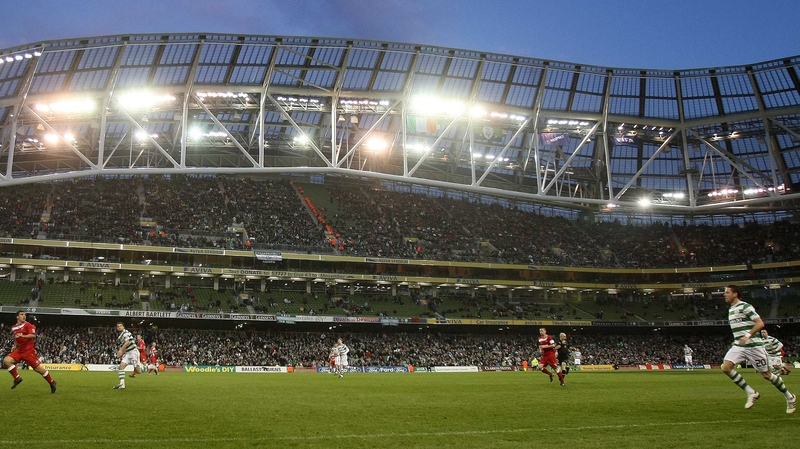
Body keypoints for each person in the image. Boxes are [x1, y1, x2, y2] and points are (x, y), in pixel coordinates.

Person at [721, 285, 796, 413]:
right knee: (726, 368)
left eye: (727, 292)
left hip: (754, 346)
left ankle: (789, 397)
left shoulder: (745, 306)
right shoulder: (731, 309)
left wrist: (748, 335)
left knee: (767, 375)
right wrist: (738, 339)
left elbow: (760, 323)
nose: (724, 294)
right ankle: (751, 392)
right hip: (740, 346)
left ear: (735, 294)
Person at [2, 311, 56, 393]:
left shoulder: (28, 325)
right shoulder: (14, 327)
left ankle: (52, 382)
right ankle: (17, 378)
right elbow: (16, 337)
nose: (24, 316)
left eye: (25, 315)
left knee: (37, 369)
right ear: (17, 317)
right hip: (19, 350)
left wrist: (23, 335)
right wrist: (15, 345)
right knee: (6, 361)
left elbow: (33, 335)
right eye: (22, 314)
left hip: (28, 351)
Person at [113, 322, 140, 389]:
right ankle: (122, 384)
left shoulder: (125, 333)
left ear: (123, 327)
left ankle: (151, 367)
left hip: (133, 352)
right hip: (128, 353)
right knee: (121, 367)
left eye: (120, 326)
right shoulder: (121, 335)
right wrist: (122, 352)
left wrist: (121, 350)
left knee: (138, 371)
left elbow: (128, 342)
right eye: (118, 326)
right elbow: (125, 345)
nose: (119, 327)